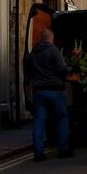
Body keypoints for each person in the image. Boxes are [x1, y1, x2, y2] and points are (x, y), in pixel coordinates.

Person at [24, 28, 71, 161]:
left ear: (41, 39)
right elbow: (62, 69)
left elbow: (27, 71)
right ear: (51, 39)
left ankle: (38, 153)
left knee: (39, 122)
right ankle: (62, 150)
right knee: (61, 119)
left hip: (38, 92)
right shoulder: (53, 50)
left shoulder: (33, 53)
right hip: (55, 90)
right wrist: (62, 79)